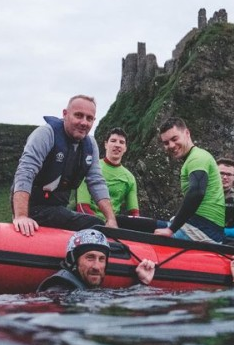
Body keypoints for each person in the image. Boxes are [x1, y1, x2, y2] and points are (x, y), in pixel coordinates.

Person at [11, 95, 117, 236]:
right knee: (94, 224)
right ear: (65, 114)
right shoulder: (45, 134)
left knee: (96, 222)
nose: (84, 122)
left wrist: (111, 219)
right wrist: (22, 216)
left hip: (59, 205)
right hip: (33, 205)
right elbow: (25, 172)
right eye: (79, 115)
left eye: (89, 118)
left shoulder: (90, 145)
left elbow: (97, 182)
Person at [153, 117, 226, 243]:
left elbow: (197, 192)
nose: (171, 145)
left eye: (175, 139)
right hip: (201, 226)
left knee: (136, 228)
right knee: (139, 223)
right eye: (166, 143)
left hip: (203, 230)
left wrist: (171, 229)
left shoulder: (197, 157)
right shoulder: (193, 158)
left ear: (187, 133)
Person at [37, 229, 156, 292]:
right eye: (90, 258)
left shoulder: (81, 287)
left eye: (102, 259)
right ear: (73, 259)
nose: (96, 266)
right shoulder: (59, 290)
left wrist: (143, 282)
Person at [75, 127, 139, 219]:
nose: (117, 145)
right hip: (89, 222)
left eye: (121, 142)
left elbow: (134, 214)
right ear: (106, 144)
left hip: (114, 225)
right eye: (113, 141)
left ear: (125, 148)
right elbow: (82, 207)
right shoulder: (90, 168)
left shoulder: (130, 178)